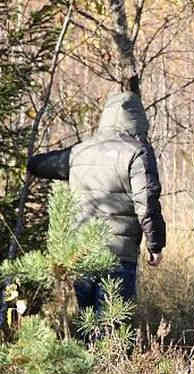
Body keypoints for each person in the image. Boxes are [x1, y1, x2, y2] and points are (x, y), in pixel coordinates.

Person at [28, 91, 166, 311]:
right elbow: (147, 203)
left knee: (87, 324)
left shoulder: (80, 151)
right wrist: (156, 245)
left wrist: (29, 160)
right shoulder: (137, 153)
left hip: (82, 254)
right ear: (138, 120)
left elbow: (39, 165)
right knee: (112, 330)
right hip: (118, 256)